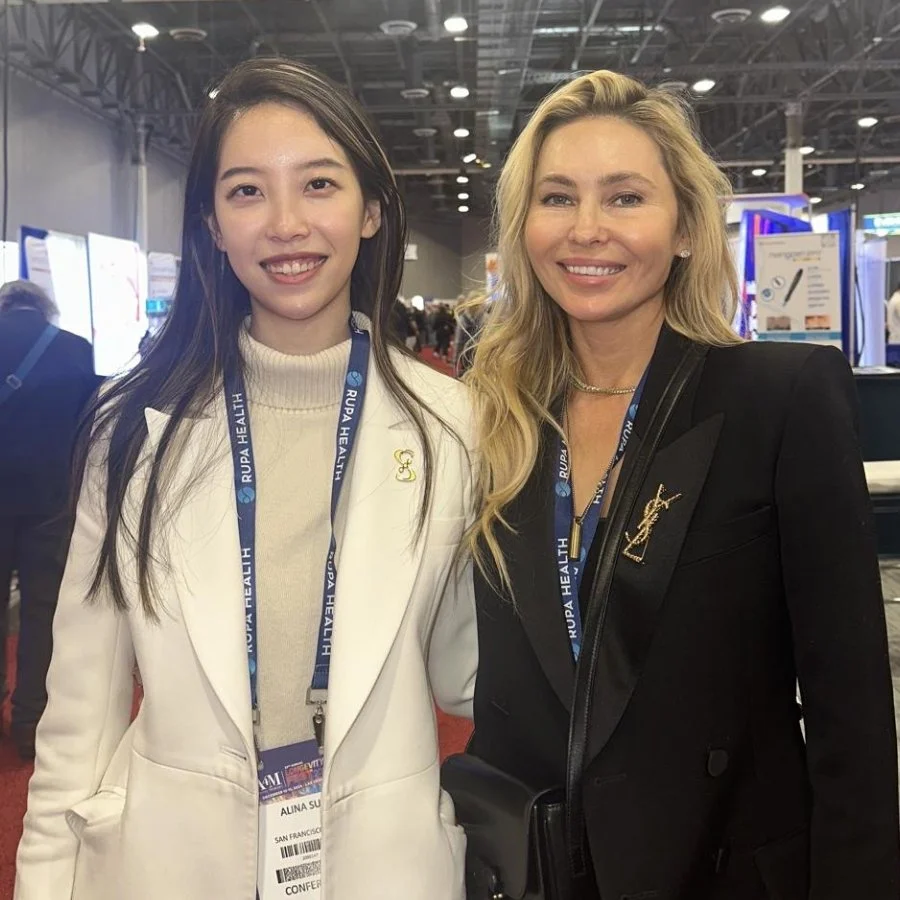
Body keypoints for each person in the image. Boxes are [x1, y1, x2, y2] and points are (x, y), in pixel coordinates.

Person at [15, 58, 475, 900]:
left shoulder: (455, 426)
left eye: (319, 185)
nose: (287, 224)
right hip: (170, 860)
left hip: (381, 862)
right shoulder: (134, 426)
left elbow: (464, 669)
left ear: (371, 210)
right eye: (247, 191)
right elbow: (77, 713)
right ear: (212, 226)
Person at [463, 69, 899, 899]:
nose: (587, 230)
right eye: (557, 199)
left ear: (688, 227)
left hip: (727, 867)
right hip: (544, 868)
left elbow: (853, 720)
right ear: (524, 229)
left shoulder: (780, 399)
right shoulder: (497, 423)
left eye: (625, 198)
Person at [0, 280, 96, 760]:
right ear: (45, 309)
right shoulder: (76, 350)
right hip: (51, 499)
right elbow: (89, 424)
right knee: (42, 611)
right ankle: (29, 721)